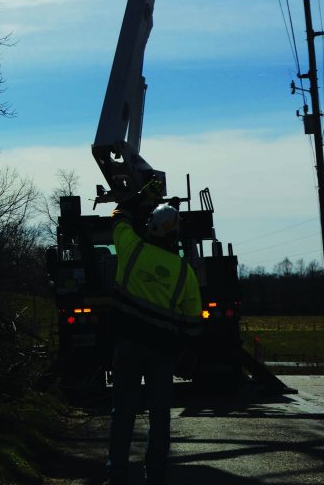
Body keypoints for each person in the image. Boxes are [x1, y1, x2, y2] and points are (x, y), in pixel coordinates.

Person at [106, 202, 202, 485]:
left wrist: (131, 201)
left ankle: (117, 474)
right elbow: (194, 324)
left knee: (123, 410)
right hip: (162, 353)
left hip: (128, 346)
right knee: (160, 414)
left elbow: (118, 219)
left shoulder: (131, 248)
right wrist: (189, 351)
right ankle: (156, 474)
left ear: (150, 227)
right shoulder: (185, 273)